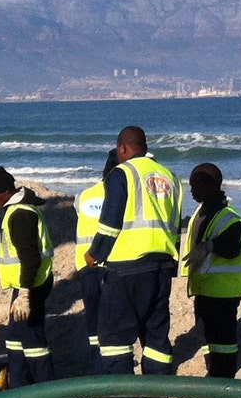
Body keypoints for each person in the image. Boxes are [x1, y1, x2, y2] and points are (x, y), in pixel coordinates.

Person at [83, 126, 182, 383]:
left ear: (123, 148)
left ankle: (123, 395)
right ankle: (157, 393)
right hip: (161, 266)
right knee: (156, 334)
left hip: (126, 266)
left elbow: (110, 222)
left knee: (116, 336)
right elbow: (175, 225)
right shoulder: (170, 177)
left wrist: (95, 253)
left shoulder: (122, 174)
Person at [180, 163, 241, 378]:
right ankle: (213, 375)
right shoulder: (202, 211)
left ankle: (224, 381)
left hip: (224, 290)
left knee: (223, 341)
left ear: (211, 186)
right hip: (206, 288)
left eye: (196, 185)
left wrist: (210, 246)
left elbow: (232, 248)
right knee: (208, 337)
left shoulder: (229, 218)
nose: (191, 190)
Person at [0, 166, 55, 387]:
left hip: (31, 285)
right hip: (26, 284)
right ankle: (18, 386)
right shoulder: (16, 211)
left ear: (5, 191)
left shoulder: (21, 215)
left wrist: (25, 294)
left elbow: (30, 258)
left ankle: (47, 389)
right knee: (15, 338)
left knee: (33, 340)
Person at [73, 156, 112, 368]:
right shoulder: (124, 195)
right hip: (110, 265)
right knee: (111, 323)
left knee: (93, 323)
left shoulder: (84, 196)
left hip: (86, 265)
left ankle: (97, 367)